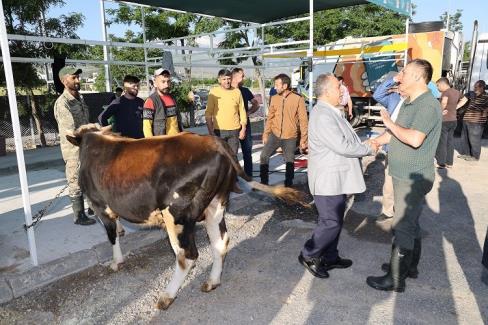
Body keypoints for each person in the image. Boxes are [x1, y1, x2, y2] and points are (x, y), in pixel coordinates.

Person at [367, 59, 442, 292]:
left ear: (419, 77)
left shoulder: (427, 105)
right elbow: (395, 135)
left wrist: (388, 122)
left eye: (405, 73)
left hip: (412, 177)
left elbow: (414, 138)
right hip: (402, 173)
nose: (400, 77)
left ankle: (395, 278)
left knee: (402, 225)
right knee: (410, 223)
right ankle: (408, 267)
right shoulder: (409, 102)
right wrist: (376, 141)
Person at [298, 73, 376, 278]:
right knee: (330, 222)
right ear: (325, 91)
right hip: (327, 180)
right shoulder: (322, 114)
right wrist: (368, 148)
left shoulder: (331, 111)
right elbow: (342, 146)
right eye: (337, 87)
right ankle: (309, 253)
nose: (341, 90)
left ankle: (330, 256)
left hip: (336, 179)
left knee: (336, 220)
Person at [54, 67, 96, 226]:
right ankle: (79, 215)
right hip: (74, 150)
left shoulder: (80, 98)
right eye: (74, 78)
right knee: (75, 181)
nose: (78, 80)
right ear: (64, 81)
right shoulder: (63, 103)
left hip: (86, 147)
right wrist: (93, 129)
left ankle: (93, 207)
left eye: (78, 77)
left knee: (90, 178)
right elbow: (71, 131)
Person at [260, 73, 308, 187]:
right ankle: (264, 183)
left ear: (285, 86)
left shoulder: (298, 98)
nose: (275, 87)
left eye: (277, 85)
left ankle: (288, 185)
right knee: (263, 156)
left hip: (290, 137)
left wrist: (303, 139)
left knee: (289, 161)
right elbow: (270, 118)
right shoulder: (274, 98)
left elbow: (303, 120)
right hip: (275, 134)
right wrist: (265, 134)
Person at [372, 73, 406, 223]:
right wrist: (393, 79)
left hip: (407, 148)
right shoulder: (394, 98)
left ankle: (402, 212)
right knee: (389, 183)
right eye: (400, 83)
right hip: (391, 146)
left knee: (404, 185)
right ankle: (387, 211)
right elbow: (377, 94)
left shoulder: (417, 101)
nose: (401, 87)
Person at [205, 69, 247, 158]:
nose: (227, 81)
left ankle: (232, 172)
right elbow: (208, 113)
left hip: (234, 131)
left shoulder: (237, 91)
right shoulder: (213, 92)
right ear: (219, 80)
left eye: (229, 79)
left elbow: (242, 111)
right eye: (224, 79)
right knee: (219, 158)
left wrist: (243, 129)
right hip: (219, 131)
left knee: (233, 157)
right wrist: (210, 131)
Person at [231, 68, 260, 177]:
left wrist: (247, 113)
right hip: (231, 127)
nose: (244, 78)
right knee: (232, 153)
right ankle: (233, 176)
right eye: (242, 76)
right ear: (234, 77)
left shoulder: (245, 90)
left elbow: (256, 104)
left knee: (247, 152)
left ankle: (249, 176)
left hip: (245, 126)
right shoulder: (227, 91)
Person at [143, 68, 183, 137]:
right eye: (163, 82)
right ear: (155, 83)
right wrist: (152, 145)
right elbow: (147, 128)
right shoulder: (151, 101)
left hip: (176, 142)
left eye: (168, 81)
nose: (166, 85)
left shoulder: (172, 98)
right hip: (162, 144)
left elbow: (177, 121)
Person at [456, 80, 488, 161]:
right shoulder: (471, 94)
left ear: (482, 87)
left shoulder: (486, 96)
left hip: (477, 122)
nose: (474, 88)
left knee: (474, 140)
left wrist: (484, 115)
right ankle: (466, 154)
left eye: (476, 87)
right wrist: (455, 108)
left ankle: (475, 156)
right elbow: (463, 100)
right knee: (464, 138)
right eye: (474, 87)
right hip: (466, 119)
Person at [435, 77, 461, 168]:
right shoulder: (456, 92)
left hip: (445, 120)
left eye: (437, 86)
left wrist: (440, 112)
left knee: (442, 141)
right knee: (450, 141)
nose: (437, 88)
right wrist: (455, 107)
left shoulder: (445, 92)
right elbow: (465, 100)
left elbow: (443, 103)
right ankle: (449, 163)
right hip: (453, 120)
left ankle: (441, 163)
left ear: (443, 84)